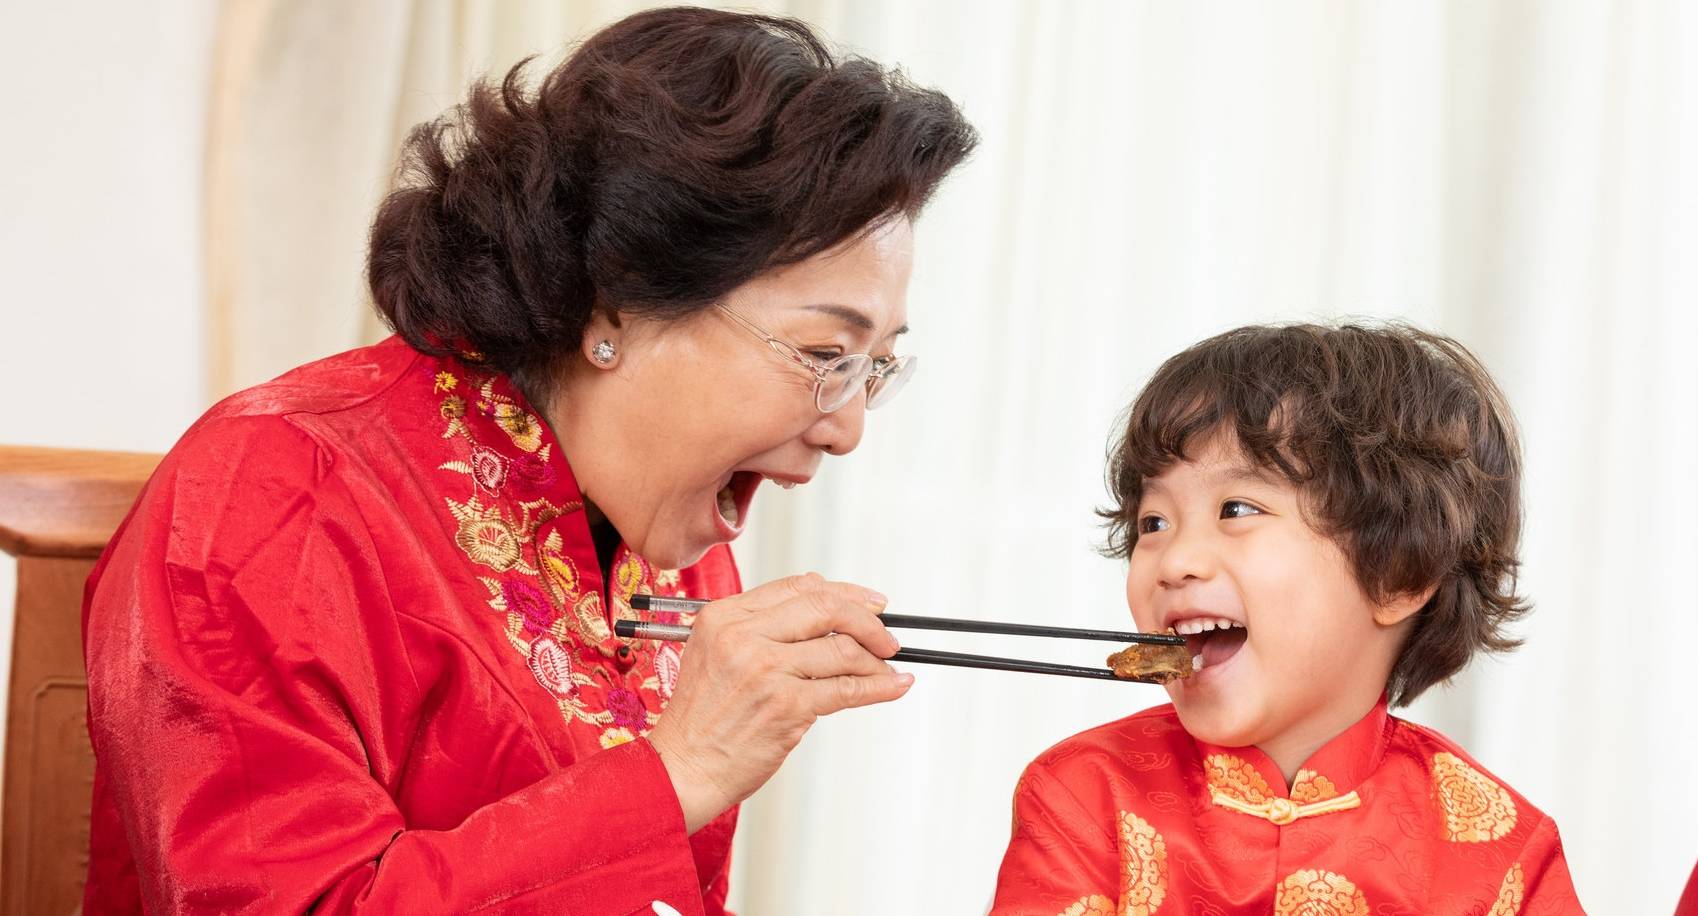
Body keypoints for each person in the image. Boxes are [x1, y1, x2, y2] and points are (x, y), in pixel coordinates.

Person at [81, 8, 975, 914]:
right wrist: (681, 772)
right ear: (619, 303)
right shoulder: (271, 497)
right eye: (826, 357)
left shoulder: (675, 541)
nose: (849, 428)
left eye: (877, 367)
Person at [991, 323, 1585, 914]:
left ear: (1398, 576)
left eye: (1237, 509)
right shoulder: (1083, 792)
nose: (1175, 561)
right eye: (1153, 523)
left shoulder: (1505, 849)